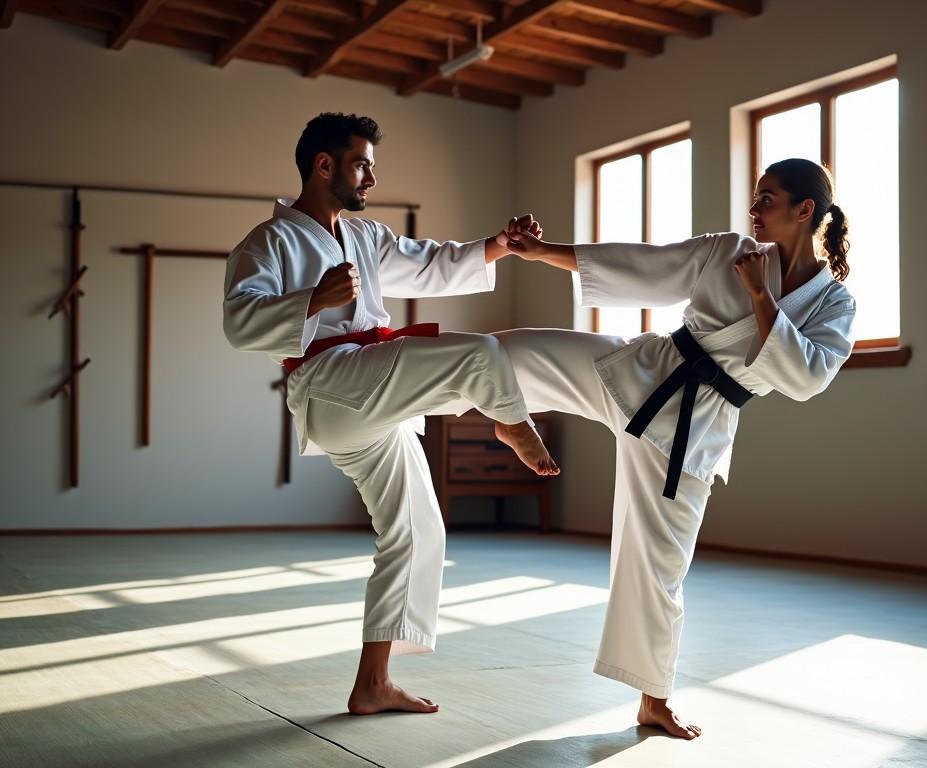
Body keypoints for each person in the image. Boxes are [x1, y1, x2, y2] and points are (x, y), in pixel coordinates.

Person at [496, 158, 857, 739]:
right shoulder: (730, 250)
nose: (754, 208)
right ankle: (497, 410)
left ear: (804, 210)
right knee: (513, 349)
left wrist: (761, 298)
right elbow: (642, 263)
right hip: (643, 369)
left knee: (658, 565)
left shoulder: (833, 304)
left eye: (767, 198)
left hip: (695, 427)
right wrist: (543, 252)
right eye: (756, 196)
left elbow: (806, 379)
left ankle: (653, 701)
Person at [223, 112, 557, 717]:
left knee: (417, 529)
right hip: (329, 384)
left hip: (370, 395)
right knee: (478, 353)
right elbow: (238, 324)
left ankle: (372, 683)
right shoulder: (268, 242)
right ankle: (509, 419)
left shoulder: (365, 236)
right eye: (361, 164)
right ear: (324, 165)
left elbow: (431, 262)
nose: (371, 177)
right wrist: (312, 300)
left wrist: (499, 247)